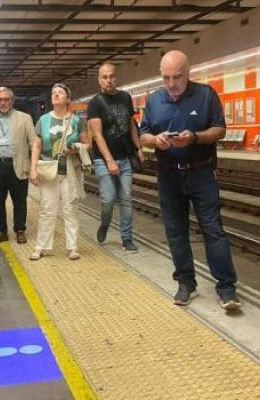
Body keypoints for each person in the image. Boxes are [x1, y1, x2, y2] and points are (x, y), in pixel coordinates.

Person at [138, 50, 241, 312]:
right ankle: (185, 282)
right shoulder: (154, 100)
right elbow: (143, 135)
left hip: (201, 173)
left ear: (188, 73)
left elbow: (220, 129)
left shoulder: (206, 95)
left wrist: (194, 137)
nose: (171, 84)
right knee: (175, 231)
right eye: (166, 78)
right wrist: (156, 140)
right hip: (168, 174)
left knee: (213, 230)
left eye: (177, 77)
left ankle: (226, 287)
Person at [29, 83, 91, 261]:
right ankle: (42, 247)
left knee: (70, 208)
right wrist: (33, 168)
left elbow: (87, 144)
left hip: (70, 170)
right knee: (47, 209)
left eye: (60, 93)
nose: (55, 95)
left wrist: (76, 147)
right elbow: (37, 145)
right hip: (49, 170)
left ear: (68, 99)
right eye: (53, 93)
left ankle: (72, 247)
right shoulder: (44, 120)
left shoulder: (77, 121)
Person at [87, 63, 143, 253]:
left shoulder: (125, 97)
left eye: (111, 76)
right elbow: (97, 135)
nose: (108, 80)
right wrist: (109, 161)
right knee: (108, 200)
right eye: (104, 77)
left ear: (116, 77)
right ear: (99, 80)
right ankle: (104, 223)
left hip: (125, 157)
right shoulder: (95, 103)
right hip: (104, 161)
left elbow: (130, 125)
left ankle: (127, 238)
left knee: (126, 198)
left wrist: (138, 147)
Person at [0, 87, 36, 244]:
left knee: (20, 200)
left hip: (17, 164)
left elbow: (33, 142)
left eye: (6, 99)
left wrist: (34, 167)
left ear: (12, 100)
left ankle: (20, 230)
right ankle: (0, 230)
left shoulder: (25, 118)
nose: (3, 102)